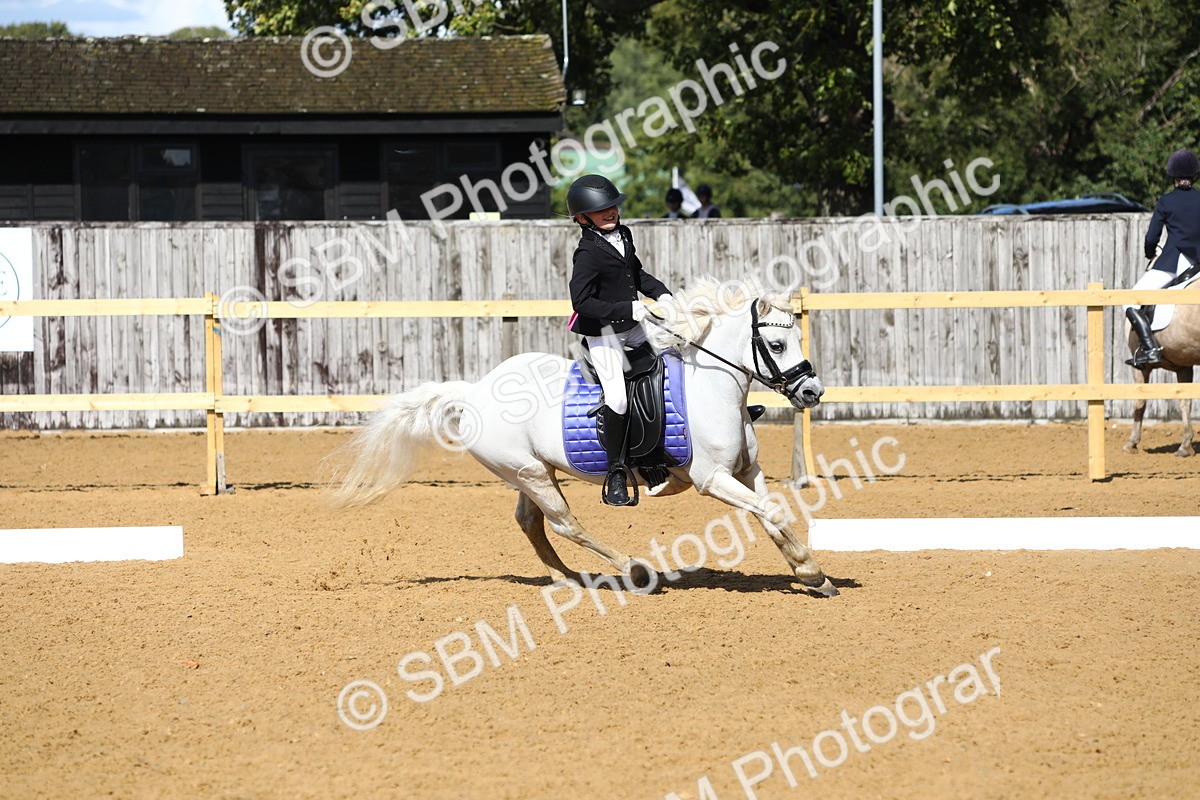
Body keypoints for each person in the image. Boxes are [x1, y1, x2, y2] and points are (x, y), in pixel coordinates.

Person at [566, 174, 673, 506]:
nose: (610, 212)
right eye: (601, 210)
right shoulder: (586, 253)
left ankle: (656, 451)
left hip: (635, 323)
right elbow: (581, 303)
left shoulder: (624, 235)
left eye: (612, 206)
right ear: (583, 218)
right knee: (618, 398)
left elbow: (637, 274)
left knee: (674, 358)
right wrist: (627, 308)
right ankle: (616, 472)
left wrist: (662, 293)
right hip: (604, 333)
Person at [1127, 148, 1200, 367]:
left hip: (1175, 262)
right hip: (1198, 262)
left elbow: (1152, 238)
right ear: (1194, 175)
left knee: (1130, 299)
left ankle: (1149, 348)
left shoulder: (1166, 201)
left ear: (1173, 176)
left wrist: (1150, 253)